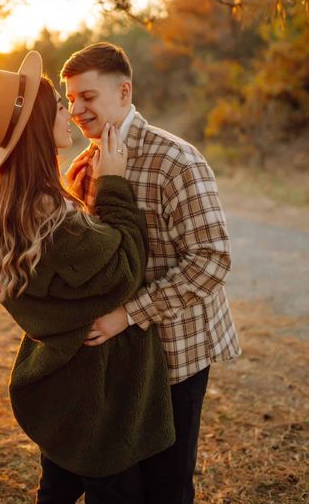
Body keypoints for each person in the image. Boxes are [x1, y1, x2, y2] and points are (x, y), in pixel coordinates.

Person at [0, 50, 175, 504]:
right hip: (92, 393)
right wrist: (113, 186)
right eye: (59, 106)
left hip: (61, 384)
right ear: (41, 125)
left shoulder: (8, 201)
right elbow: (123, 272)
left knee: (55, 489)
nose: (70, 111)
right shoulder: (50, 212)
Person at [61, 42, 241, 504]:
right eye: (71, 99)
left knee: (167, 485)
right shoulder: (84, 165)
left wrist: (129, 313)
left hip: (173, 355)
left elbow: (212, 259)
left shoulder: (175, 160)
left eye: (88, 96)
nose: (77, 109)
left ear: (124, 92)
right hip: (117, 360)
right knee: (121, 480)